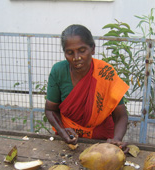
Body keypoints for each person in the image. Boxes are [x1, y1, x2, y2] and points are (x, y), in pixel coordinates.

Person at [44, 24, 129, 152]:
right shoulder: (59, 71)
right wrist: (62, 132)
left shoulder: (105, 73)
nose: (76, 57)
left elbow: (121, 115)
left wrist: (116, 139)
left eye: (82, 50)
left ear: (92, 49)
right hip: (69, 141)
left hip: (102, 141)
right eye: (70, 52)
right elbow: (50, 110)